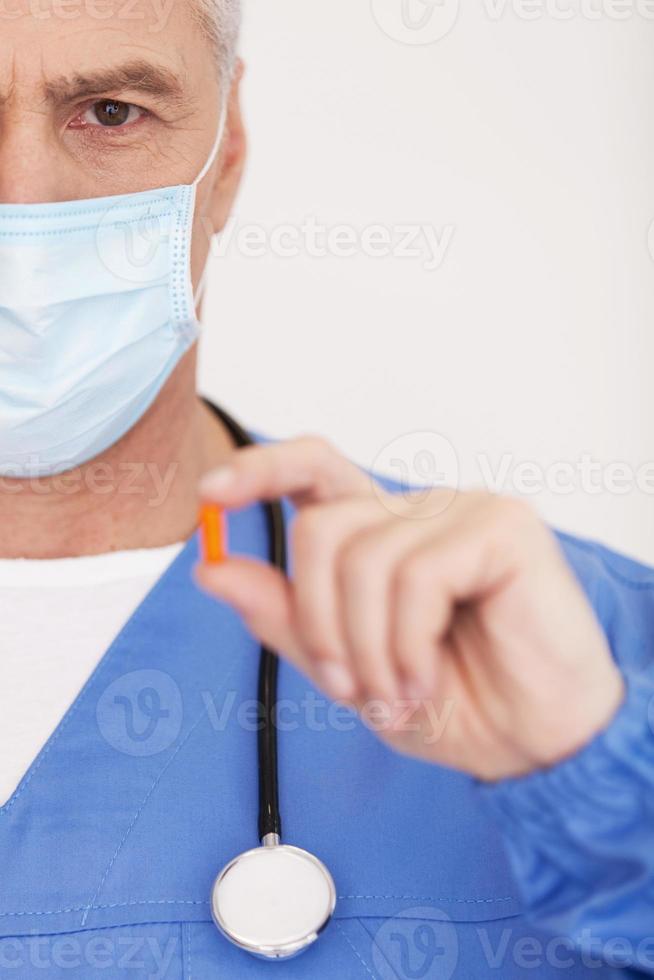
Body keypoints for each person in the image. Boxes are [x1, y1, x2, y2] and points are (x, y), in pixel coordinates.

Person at [0, 0, 651, 976]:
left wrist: (606, 800)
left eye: (112, 111)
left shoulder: (577, 652)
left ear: (226, 154)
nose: (25, 201)